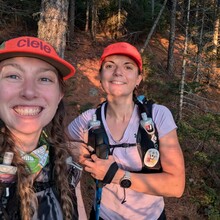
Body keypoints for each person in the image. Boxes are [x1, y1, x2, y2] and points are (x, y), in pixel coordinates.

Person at [67, 42, 185, 220]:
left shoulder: (158, 115)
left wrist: (117, 175)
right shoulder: (88, 120)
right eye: (109, 66)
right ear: (100, 76)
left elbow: (176, 186)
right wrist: (76, 151)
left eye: (128, 67)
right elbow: (59, 142)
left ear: (138, 79)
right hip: (102, 215)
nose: (118, 72)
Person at [0, 36, 83, 220]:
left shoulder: (66, 165)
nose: (29, 92)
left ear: (59, 94)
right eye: (13, 76)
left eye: (44, 78)